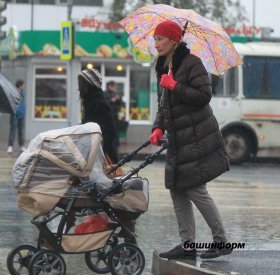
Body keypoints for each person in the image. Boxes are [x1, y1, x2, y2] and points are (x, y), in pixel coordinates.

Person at [149, 20, 231, 260]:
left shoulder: (193, 63)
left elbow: (204, 96)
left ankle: (221, 240)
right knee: (177, 189)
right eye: (155, 39)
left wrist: (176, 86)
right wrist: (157, 127)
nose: (156, 44)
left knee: (194, 188)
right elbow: (164, 104)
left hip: (197, 136)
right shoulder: (162, 66)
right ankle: (187, 245)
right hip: (178, 138)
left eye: (161, 39)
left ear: (174, 40)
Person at [78, 69, 136, 243]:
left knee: (111, 195)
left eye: (81, 84)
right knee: (105, 195)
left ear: (88, 85)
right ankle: (115, 228)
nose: (78, 87)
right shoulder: (90, 101)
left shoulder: (98, 102)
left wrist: (103, 152)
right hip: (97, 154)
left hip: (103, 155)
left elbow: (109, 131)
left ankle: (127, 232)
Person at [7, 80, 26, 153]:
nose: (24, 86)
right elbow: (12, 103)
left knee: (21, 131)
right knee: (13, 131)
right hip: (14, 115)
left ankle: (21, 146)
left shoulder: (22, 93)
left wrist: (23, 111)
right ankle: (10, 146)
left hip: (21, 115)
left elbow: (22, 104)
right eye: (23, 85)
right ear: (20, 85)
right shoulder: (14, 93)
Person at [104, 81, 124, 148]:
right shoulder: (105, 94)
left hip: (115, 116)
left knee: (116, 130)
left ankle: (116, 144)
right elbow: (104, 104)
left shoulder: (116, 94)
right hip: (108, 116)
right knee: (109, 131)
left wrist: (118, 99)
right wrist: (111, 100)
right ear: (109, 86)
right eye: (113, 86)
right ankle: (109, 144)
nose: (115, 88)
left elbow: (121, 104)